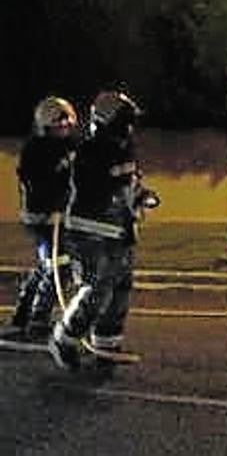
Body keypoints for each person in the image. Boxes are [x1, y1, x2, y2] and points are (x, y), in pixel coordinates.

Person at [49, 90, 154, 368]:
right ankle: (65, 339)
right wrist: (121, 197)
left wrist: (142, 196)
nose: (130, 129)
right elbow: (91, 192)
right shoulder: (90, 152)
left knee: (120, 287)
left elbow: (129, 183)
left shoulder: (124, 148)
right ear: (110, 123)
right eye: (125, 123)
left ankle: (107, 342)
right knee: (97, 288)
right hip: (91, 232)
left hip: (120, 230)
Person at [1, 97, 79, 342]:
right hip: (41, 218)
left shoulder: (71, 145)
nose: (65, 124)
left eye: (67, 119)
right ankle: (38, 319)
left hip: (60, 216)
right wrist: (51, 205)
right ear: (46, 124)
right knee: (60, 267)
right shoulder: (36, 150)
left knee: (47, 266)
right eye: (59, 120)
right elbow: (33, 183)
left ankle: (22, 315)